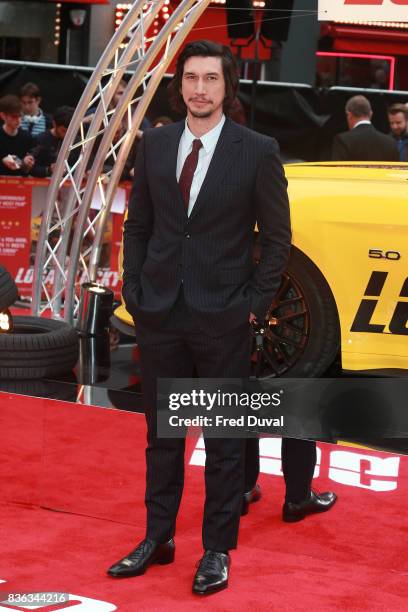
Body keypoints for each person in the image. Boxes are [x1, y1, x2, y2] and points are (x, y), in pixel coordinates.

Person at [107, 40, 334, 596]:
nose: (199, 88)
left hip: (223, 320)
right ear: (179, 84)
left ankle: (215, 550)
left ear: (227, 87)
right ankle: (157, 536)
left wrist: (252, 307)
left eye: (210, 78)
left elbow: (277, 240)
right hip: (159, 315)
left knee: (225, 443)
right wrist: (136, 290)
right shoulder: (156, 146)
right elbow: (139, 228)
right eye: (191, 78)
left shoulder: (256, 150)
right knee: (162, 437)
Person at [332, 95, 399, 162]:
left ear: (349, 115)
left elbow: (338, 170)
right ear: (371, 114)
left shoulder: (343, 140)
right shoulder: (390, 142)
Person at [31, 106, 74, 177]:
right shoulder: (41, 139)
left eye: (70, 131)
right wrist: (49, 169)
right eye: (63, 130)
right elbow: (31, 169)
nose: (66, 134)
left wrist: (68, 169)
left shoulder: (76, 141)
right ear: (54, 124)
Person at [0, 95, 35, 176]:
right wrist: (2, 161)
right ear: (3, 116)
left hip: (21, 183)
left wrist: (27, 163)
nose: (18, 120)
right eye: (14, 116)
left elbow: (29, 169)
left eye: (20, 116)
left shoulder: (27, 137)